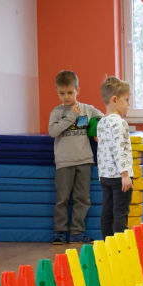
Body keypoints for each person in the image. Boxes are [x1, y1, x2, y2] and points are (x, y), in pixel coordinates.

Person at [48, 70, 103, 244]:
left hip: (84, 160)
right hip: (64, 162)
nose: (66, 97)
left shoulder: (87, 109)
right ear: (57, 92)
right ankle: (59, 232)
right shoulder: (57, 112)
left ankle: (77, 233)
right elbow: (52, 131)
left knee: (82, 199)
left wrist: (96, 130)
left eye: (70, 92)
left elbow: (104, 119)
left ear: (78, 90)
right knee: (62, 199)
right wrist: (71, 116)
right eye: (62, 93)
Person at [95, 77, 134, 237]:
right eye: (126, 100)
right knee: (120, 213)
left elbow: (102, 150)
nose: (128, 104)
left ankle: (108, 244)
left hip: (105, 176)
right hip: (119, 177)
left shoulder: (101, 123)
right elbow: (119, 149)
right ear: (115, 100)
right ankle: (120, 247)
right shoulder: (119, 123)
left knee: (107, 212)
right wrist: (125, 174)